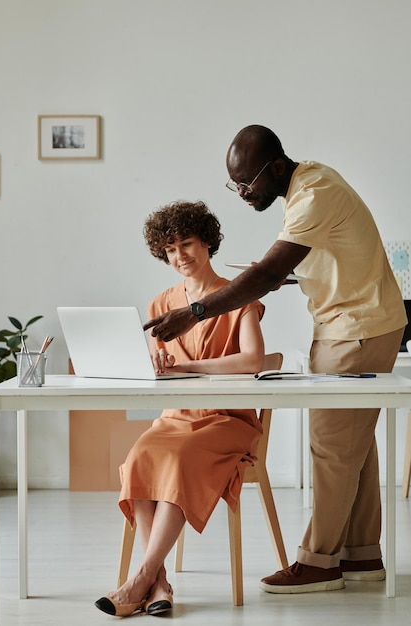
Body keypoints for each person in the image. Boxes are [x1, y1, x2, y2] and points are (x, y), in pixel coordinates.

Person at [144, 125, 407, 594]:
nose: (244, 194)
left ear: (278, 168)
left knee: (332, 447)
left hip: (357, 327)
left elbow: (269, 272)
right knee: (355, 447)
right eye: (236, 185)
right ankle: (362, 555)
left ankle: (319, 562)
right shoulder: (308, 186)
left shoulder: (313, 195)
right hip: (357, 322)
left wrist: (196, 312)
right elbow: (311, 262)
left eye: (248, 183)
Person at [94, 200, 266, 616]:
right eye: (170, 249)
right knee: (139, 458)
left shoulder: (236, 296)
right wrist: (153, 365)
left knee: (177, 459)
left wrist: (185, 365)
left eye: (186, 244)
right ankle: (159, 585)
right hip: (176, 417)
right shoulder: (159, 304)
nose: (179, 256)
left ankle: (139, 579)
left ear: (207, 242)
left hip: (227, 419)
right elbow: (160, 367)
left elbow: (253, 361)